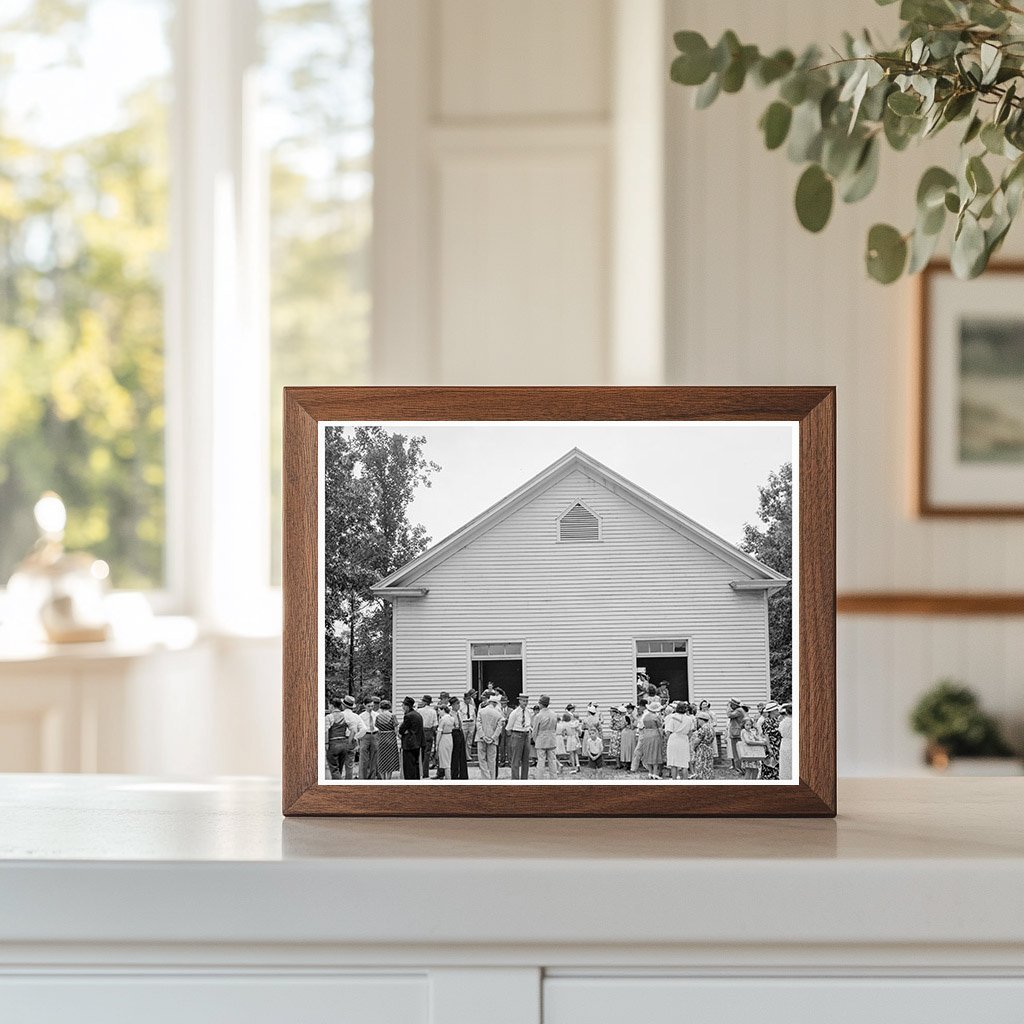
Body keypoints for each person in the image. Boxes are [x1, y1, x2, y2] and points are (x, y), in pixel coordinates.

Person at [324, 696, 366, 780]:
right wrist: (352, 740)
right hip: (346, 743)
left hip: (334, 743)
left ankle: (339, 785)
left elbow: (326, 731)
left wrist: (326, 743)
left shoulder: (332, 716)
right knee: (347, 766)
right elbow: (358, 729)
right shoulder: (353, 716)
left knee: (334, 768)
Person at [664, 700, 694, 780]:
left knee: (674, 762)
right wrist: (686, 738)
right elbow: (691, 732)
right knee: (684, 763)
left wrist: (668, 740)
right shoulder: (689, 719)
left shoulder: (672, 717)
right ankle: (685, 781)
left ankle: (674, 780)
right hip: (684, 739)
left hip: (674, 738)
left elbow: (668, 731)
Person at [531, 694, 559, 779]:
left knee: (541, 761)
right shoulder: (554, 714)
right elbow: (555, 727)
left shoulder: (538, 716)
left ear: (540, 704)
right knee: (552, 761)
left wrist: (535, 739)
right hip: (551, 739)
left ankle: (540, 779)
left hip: (541, 739)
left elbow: (535, 730)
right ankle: (554, 779)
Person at [506, 693, 533, 780]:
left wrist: (529, 730)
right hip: (517, 735)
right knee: (516, 760)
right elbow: (509, 727)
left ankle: (524, 779)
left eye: (527, 701)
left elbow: (529, 723)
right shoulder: (515, 713)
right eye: (524, 701)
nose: (525, 703)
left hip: (526, 735)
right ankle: (515, 780)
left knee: (526, 760)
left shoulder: (528, 712)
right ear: (520, 701)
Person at [476, 694, 503, 779]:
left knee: (482, 760)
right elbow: (499, 728)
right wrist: (493, 738)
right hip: (492, 740)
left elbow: (478, 724)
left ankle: (485, 778)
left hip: (481, 739)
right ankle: (492, 778)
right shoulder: (498, 714)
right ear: (495, 704)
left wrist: (483, 736)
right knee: (492, 760)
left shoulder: (481, 711)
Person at [398, 696, 424, 780]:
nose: (402, 707)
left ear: (407, 706)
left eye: (403, 705)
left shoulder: (408, 716)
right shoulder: (418, 715)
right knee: (416, 765)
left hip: (409, 744)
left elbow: (401, 730)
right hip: (417, 743)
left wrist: (404, 731)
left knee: (409, 767)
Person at [638, 698, 663, 781]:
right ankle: (655, 773)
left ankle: (650, 772)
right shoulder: (656, 717)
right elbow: (659, 728)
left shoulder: (645, 717)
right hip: (655, 734)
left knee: (648, 752)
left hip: (647, 734)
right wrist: (662, 736)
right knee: (655, 752)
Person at [375, 699, 399, 780]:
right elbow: (396, 731)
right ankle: (388, 778)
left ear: (381, 707)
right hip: (391, 738)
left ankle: (383, 778)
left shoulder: (378, 717)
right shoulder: (393, 716)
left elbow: (377, 728)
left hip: (381, 738)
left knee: (382, 759)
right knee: (390, 759)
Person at [737, 716, 767, 780]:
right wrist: (760, 743)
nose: (749, 726)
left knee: (756, 770)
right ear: (743, 724)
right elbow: (748, 741)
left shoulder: (751, 731)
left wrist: (761, 738)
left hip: (754, 753)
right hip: (748, 753)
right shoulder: (744, 731)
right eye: (747, 725)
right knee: (749, 770)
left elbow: (757, 738)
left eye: (750, 725)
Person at [759, 701, 782, 781]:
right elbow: (766, 736)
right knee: (770, 765)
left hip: (778, 745)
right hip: (772, 746)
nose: (778, 711)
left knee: (777, 765)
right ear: (772, 711)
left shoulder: (777, 720)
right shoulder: (766, 722)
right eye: (776, 710)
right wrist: (769, 748)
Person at [358, 697, 380, 780]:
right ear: (364, 705)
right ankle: (362, 777)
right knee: (364, 757)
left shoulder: (376, 715)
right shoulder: (361, 716)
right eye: (368, 706)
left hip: (375, 735)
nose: (370, 708)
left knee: (374, 757)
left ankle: (372, 777)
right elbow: (359, 728)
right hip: (365, 736)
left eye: (372, 706)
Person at [690, 710, 716, 780]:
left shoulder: (703, 728)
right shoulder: (711, 727)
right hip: (709, 748)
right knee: (708, 766)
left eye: (698, 719)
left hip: (702, 750)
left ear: (701, 720)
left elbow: (697, 741)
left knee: (701, 766)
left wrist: (693, 747)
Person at [449, 695, 469, 780]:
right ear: (453, 705)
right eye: (457, 704)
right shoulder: (450, 714)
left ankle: (463, 774)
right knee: (455, 754)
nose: (458, 706)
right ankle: (455, 774)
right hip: (454, 732)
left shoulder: (459, 713)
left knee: (462, 754)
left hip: (460, 732)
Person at [434, 701, 455, 780]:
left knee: (445, 762)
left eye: (439, 710)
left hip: (444, 738)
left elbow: (439, 732)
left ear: (443, 710)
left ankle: (448, 779)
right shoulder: (451, 718)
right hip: (450, 737)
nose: (438, 712)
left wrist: (437, 744)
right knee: (448, 759)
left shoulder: (443, 719)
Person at [418, 695, 438, 778]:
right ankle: (425, 772)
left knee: (419, 752)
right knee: (427, 753)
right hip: (429, 731)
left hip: (421, 731)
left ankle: (419, 771)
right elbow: (435, 724)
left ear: (425, 702)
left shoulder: (419, 711)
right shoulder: (433, 711)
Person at [727, 698, 746, 773]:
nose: (730, 705)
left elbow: (729, 715)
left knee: (737, 752)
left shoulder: (738, 710)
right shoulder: (739, 710)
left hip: (737, 733)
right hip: (736, 733)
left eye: (731, 704)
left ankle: (739, 769)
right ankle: (739, 768)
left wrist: (728, 707)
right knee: (737, 752)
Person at [630, 697, 647, 773]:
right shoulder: (644, 714)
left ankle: (633, 768)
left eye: (640, 707)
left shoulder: (645, 715)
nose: (639, 709)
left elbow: (640, 725)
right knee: (643, 751)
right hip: (642, 733)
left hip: (643, 732)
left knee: (637, 751)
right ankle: (646, 766)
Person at [617, 703, 636, 770]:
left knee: (630, 747)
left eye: (629, 709)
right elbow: (621, 725)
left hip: (630, 732)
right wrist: (624, 724)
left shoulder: (634, 716)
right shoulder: (624, 716)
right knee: (625, 747)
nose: (628, 710)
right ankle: (626, 762)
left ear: (632, 709)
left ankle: (631, 762)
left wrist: (631, 723)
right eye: (627, 709)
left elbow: (635, 725)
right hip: (625, 732)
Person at [462, 689, 478, 759]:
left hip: (471, 723)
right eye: (466, 699)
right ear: (464, 699)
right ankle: (463, 755)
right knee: (464, 740)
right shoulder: (461, 706)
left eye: (469, 699)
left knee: (469, 741)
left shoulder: (472, 707)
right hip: (464, 723)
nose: (468, 700)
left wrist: (474, 723)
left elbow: (474, 716)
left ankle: (468, 755)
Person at [779, 702, 793, 780]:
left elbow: (780, 731)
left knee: (785, 764)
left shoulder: (782, 722)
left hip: (785, 743)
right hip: (792, 742)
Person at [497, 696, 511, 768]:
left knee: (509, 746)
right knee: (501, 746)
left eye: (504, 702)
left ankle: (510, 761)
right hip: (501, 729)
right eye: (502, 703)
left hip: (508, 729)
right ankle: (502, 761)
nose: (503, 704)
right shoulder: (498, 710)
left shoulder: (511, 710)